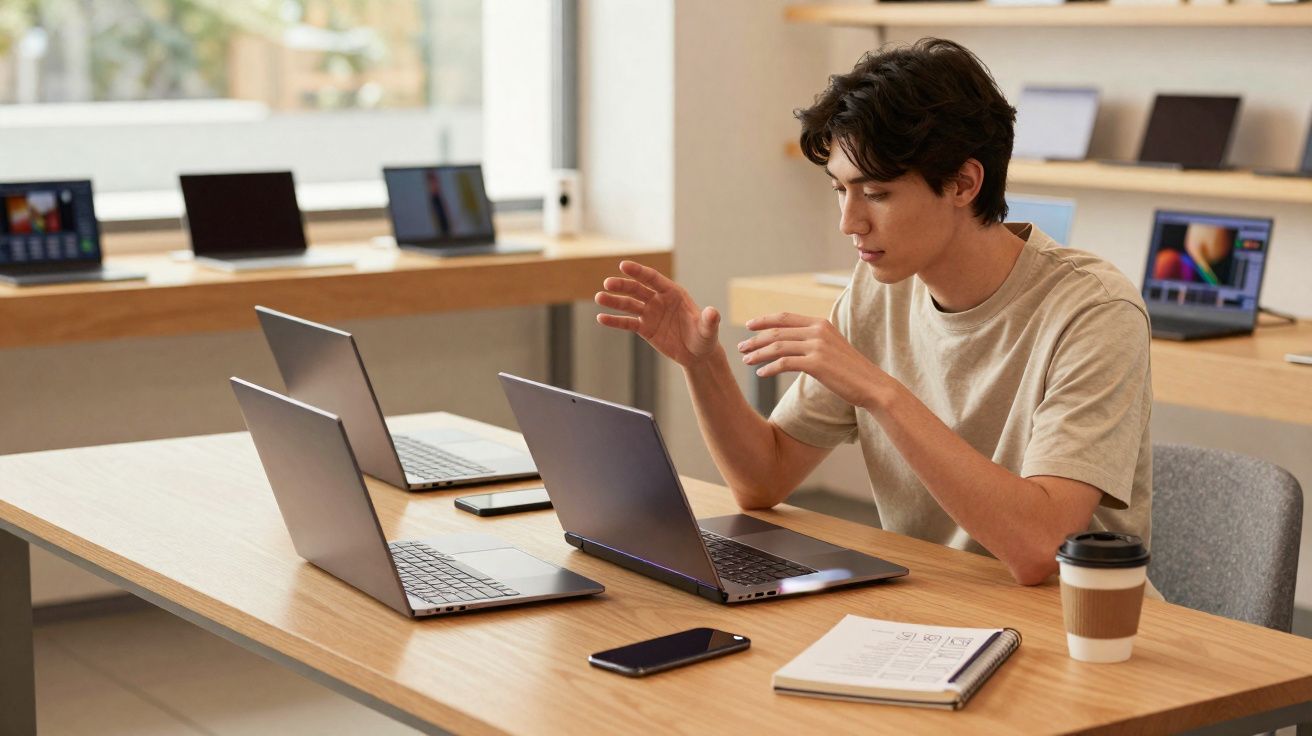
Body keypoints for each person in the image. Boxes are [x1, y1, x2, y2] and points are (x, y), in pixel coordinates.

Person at [594, 38, 1152, 587]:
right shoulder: (878, 290)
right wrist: (703, 365)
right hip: (931, 605)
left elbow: (1040, 549)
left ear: (964, 183)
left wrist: (879, 392)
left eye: (876, 194)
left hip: (1079, 624)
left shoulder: (1095, 312)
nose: (849, 222)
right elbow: (763, 479)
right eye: (840, 190)